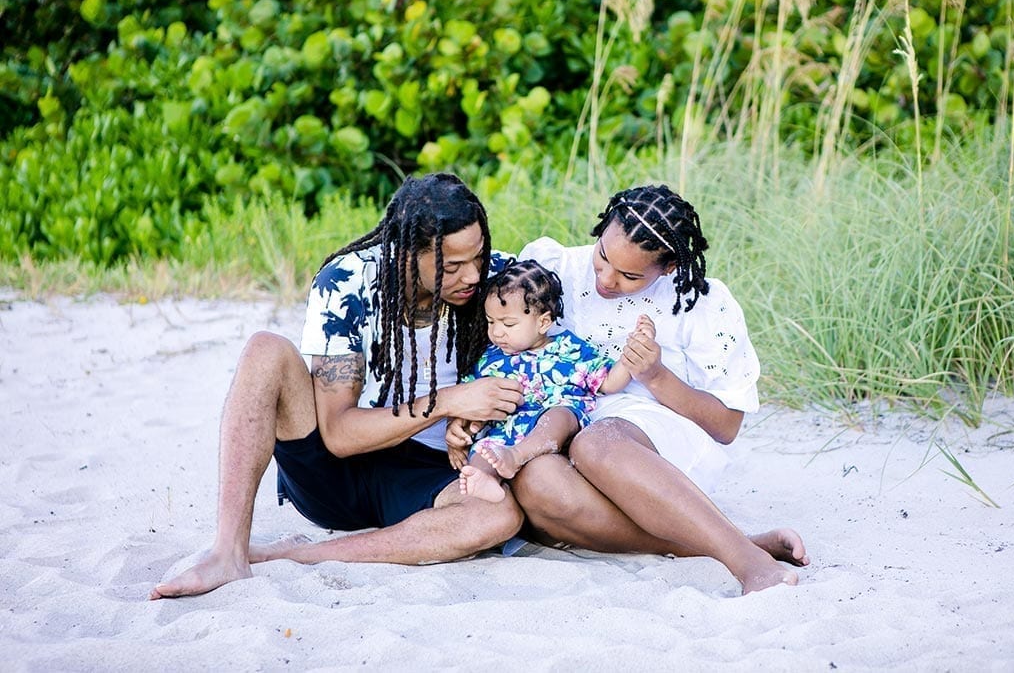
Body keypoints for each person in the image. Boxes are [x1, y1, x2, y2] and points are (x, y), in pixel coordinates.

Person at [149, 173, 526, 600]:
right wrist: (448, 401)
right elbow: (340, 435)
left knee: (498, 517)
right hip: (337, 473)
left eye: (477, 257)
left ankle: (294, 557)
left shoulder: (502, 281)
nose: (472, 275)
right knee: (265, 349)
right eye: (452, 266)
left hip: (432, 474)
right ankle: (227, 552)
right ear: (404, 254)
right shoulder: (347, 281)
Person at [512, 184, 810, 594]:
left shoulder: (699, 302)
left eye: (630, 275)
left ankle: (745, 562)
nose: (606, 280)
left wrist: (655, 375)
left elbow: (726, 426)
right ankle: (738, 544)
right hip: (564, 424)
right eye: (602, 256)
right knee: (536, 482)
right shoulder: (553, 266)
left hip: (650, 444)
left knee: (598, 443)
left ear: (667, 267)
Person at [446, 259, 636, 503]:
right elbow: (466, 401)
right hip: (506, 432)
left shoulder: (568, 348)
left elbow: (608, 382)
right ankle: (484, 479)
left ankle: (517, 457)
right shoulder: (488, 359)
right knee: (484, 451)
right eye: (491, 322)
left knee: (559, 415)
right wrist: (457, 434)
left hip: (554, 425)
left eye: (508, 323)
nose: (496, 332)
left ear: (543, 322)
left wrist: (631, 358)